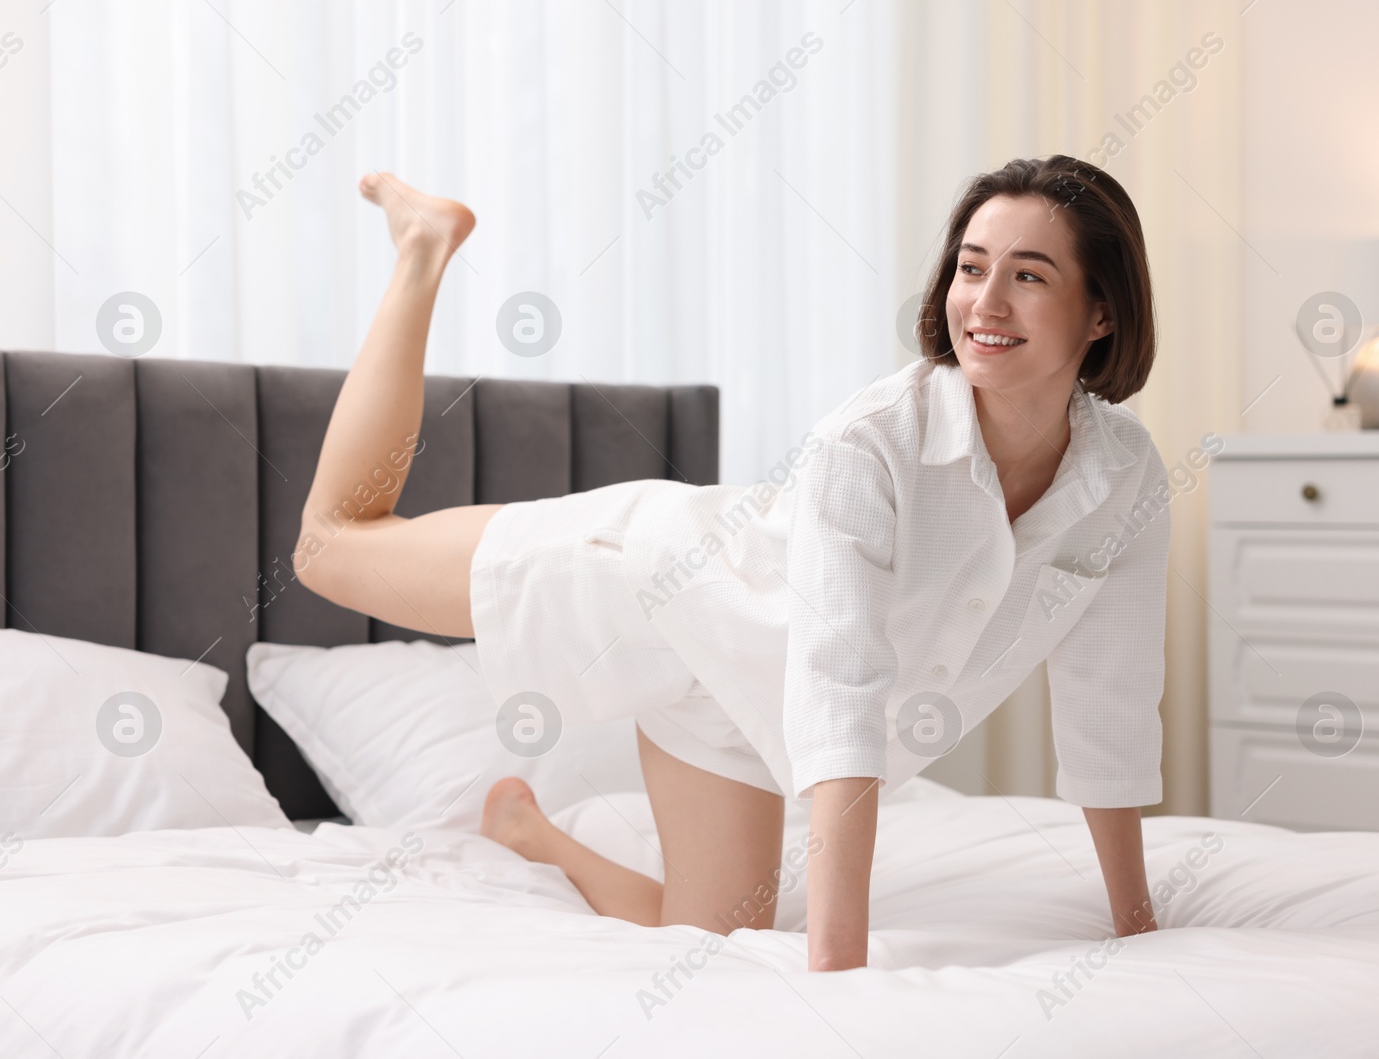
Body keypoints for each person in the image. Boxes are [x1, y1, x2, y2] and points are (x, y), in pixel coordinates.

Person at [296, 155, 1169, 974]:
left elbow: (1111, 699)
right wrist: (838, 966)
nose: (985, 301)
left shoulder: (1124, 474)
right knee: (330, 547)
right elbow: (841, 682)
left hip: (741, 695)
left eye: (1029, 275)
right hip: (645, 578)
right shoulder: (870, 443)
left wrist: (1136, 926)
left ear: (1103, 312)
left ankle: (532, 832)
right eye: (971, 268)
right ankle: (422, 247)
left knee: (717, 950)